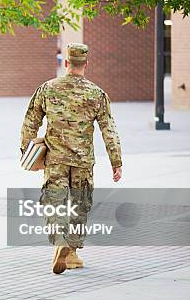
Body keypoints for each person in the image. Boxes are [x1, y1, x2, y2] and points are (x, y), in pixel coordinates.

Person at [20, 42, 122, 274]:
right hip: (83, 162)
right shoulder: (97, 93)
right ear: (86, 64)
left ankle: (60, 242)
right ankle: (73, 254)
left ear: (66, 63)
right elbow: (109, 130)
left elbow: (30, 122)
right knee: (79, 205)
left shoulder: (47, 89)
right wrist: (117, 162)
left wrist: (26, 152)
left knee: (54, 202)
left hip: (55, 159)